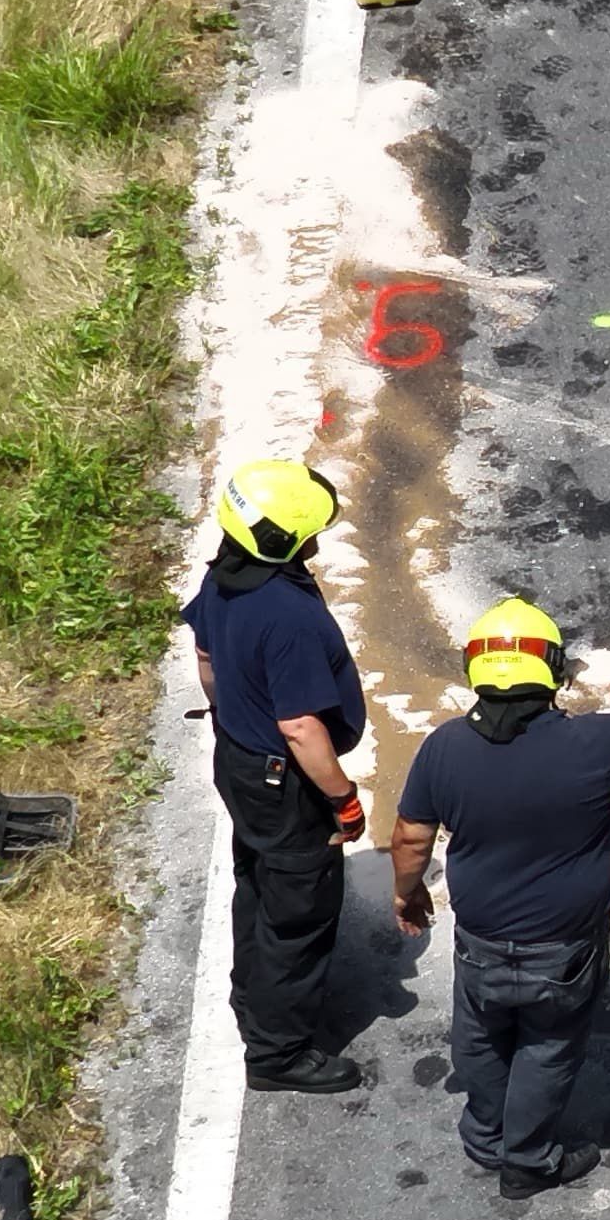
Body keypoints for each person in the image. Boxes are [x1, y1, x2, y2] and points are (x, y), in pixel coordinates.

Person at [386, 596, 610, 1196]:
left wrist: (407, 895)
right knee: (547, 1045)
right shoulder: (594, 746)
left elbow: (410, 836)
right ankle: (528, 1161)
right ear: (553, 672)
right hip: (562, 951)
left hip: (479, 942)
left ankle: (485, 1135)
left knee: (480, 1031)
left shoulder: (444, 748)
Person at [181, 460, 371, 1093]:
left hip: (239, 760)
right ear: (284, 539)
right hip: (284, 782)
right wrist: (343, 799)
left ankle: (253, 997)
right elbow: (300, 728)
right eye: (311, 529)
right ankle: (278, 1053)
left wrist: (229, 712)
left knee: (258, 881)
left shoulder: (223, 577)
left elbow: (207, 657)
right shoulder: (285, 615)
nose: (319, 537)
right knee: (299, 909)